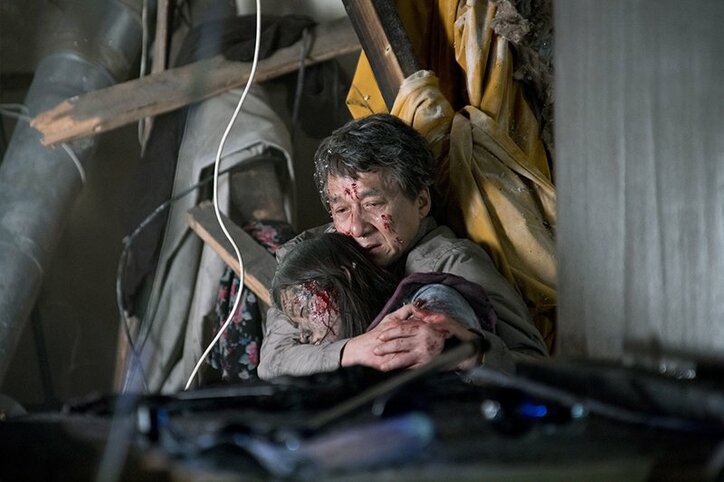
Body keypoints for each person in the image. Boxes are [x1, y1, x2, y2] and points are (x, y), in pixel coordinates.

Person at [258, 113, 548, 379]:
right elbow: (273, 363)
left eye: (373, 204)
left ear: (421, 202)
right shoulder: (311, 260)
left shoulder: (451, 265)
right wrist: (356, 351)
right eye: (342, 209)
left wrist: (469, 352)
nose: (357, 228)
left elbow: (538, 365)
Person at [271, 231, 497, 347]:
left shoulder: (426, 307)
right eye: (297, 325)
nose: (303, 337)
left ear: (346, 279)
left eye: (304, 312)